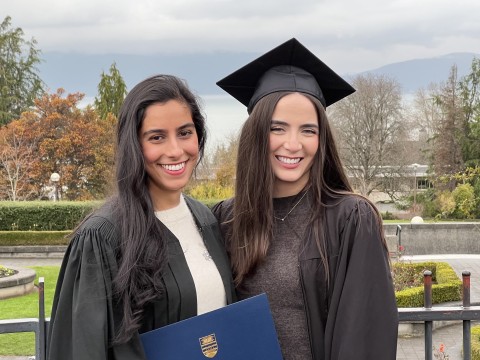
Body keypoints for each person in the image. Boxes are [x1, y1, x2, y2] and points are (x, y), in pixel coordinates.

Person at [213, 38, 398, 359]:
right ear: (256, 133)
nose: (293, 143)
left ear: (321, 138)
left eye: (308, 130)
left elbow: (364, 337)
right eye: (278, 128)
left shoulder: (351, 219)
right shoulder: (225, 219)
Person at [47, 75, 236, 360]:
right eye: (157, 137)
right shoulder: (102, 238)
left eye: (185, 133)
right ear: (134, 145)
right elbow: (80, 350)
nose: (175, 150)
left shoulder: (205, 219)